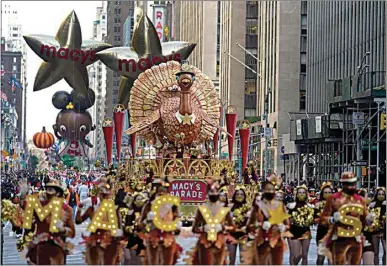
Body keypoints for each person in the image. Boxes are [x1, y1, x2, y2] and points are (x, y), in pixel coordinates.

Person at [319, 172, 374, 265]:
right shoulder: (333, 199)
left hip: (356, 239)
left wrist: (369, 220)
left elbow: (364, 220)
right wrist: (332, 219)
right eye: (348, 184)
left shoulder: (360, 200)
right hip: (339, 239)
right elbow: (322, 219)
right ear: (343, 184)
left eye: (353, 184)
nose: (352, 187)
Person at [25, 179, 75, 265]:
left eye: (51, 189)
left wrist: (63, 229)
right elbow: (25, 209)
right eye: (47, 189)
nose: (47, 192)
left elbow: (72, 232)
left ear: (58, 193)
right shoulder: (39, 205)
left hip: (57, 248)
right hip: (40, 247)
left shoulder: (66, 209)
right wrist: (23, 196)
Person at [76, 179, 124, 265]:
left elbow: (119, 227)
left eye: (106, 195)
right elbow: (78, 221)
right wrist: (79, 208)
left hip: (110, 240)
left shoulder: (114, 209)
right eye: (102, 194)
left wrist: (118, 239)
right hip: (95, 239)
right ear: (99, 195)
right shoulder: (92, 208)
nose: (104, 196)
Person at [246, 175, 289, 265]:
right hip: (262, 241)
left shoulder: (280, 205)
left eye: (271, 189)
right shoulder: (258, 206)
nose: (269, 191)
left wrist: (282, 227)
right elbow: (249, 225)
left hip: (276, 242)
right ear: (263, 190)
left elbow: (288, 225)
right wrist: (259, 225)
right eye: (267, 189)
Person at [191, 181, 235, 265]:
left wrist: (223, 227)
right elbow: (194, 228)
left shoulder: (224, 208)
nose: (214, 193)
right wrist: (203, 228)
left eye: (215, 191)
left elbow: (233, 227)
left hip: (219, 242)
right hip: (205, 243)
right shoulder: (202, 208)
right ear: (207, 193)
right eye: (211, 191)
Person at [287, 185, 315, 265]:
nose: (301, 194)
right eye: (300, 193)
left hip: (305, 232)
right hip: (293, 232)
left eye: (303, 193)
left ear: (306, 194)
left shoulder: (310, 206)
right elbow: (287, 218)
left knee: (304, 255)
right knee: (296, 255)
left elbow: (314, 219)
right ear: (296, 194)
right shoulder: (291, 206)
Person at [227, 186, 249, 265]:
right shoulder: (229, 207)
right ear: (234, 195)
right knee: (231, 260)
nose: (239, 196)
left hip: (244, 235)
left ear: (244, 196)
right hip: (231, 235)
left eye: (241, 194)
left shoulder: (248, 207)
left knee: (243, 260)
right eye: (238, 194)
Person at [315, 182, 333, 265]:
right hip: (322, 232)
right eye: (325, 192)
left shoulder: (336, 204)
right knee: (320, 257)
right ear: (322, 194)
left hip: (333, 232)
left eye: (329, 192)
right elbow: (314, 219)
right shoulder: (318, 205)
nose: (328, 194)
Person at [368, 187, 386, 265]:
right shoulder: (372, 204)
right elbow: (368, 218)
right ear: (376, 195)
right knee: (376, 252)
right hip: (375, 231)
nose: (381, 196)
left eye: (383, 194)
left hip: (385, 231)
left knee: (386, 251)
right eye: (379, 194)